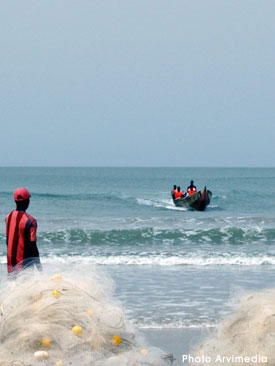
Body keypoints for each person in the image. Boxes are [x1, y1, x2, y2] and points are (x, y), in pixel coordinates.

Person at [5, 187, 42, 274]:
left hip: (10, 259)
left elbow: (7, 240)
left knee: (13, 284)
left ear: (15, 201)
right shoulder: (31, 221)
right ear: (27, 201)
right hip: (24, 261)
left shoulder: (8, 217)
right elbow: (33, 247)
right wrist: (39, 268)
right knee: (27, 283)